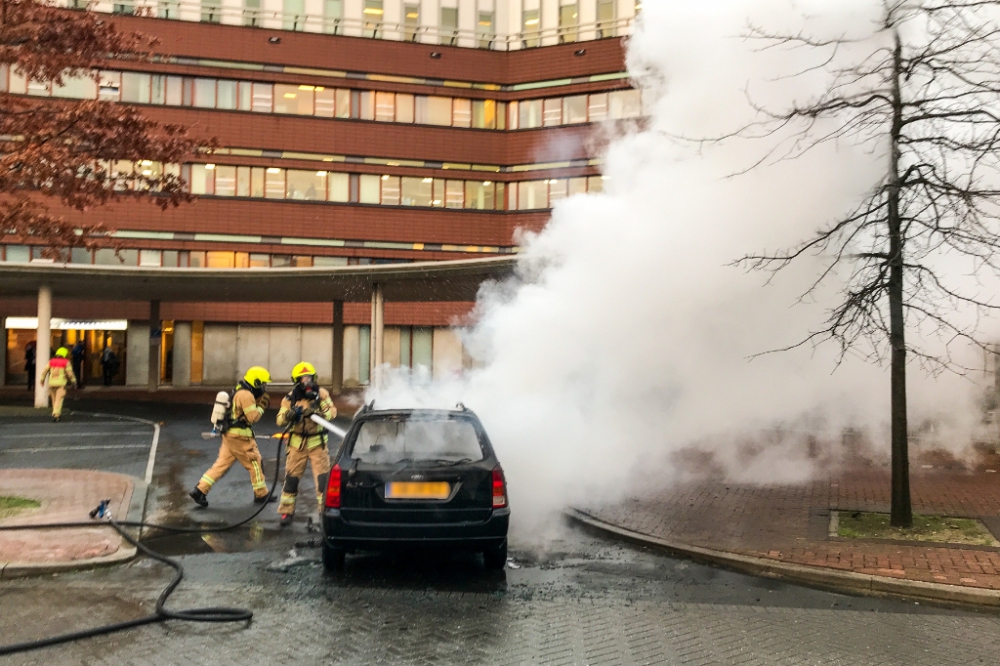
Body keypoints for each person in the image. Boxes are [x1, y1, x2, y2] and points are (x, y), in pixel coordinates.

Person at [190, 366, 273, 507]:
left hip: (230, 434)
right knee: (255, 463)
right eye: (263, 384)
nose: (264, 387)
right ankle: (261, 495)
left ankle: (199, 491)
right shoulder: (246, 395)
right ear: (256, 382)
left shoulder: (239, 390)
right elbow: (252, 417)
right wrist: (261, 406)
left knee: (221, 465)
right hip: (240, 437)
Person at [275, 362, 336, 527]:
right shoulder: (290, 398)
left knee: (322, 482)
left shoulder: (321, 394)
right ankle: (286, 511)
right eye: (303, 378)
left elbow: (332, 412)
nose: (307, 381)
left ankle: (323, 512)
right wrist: (289, 415)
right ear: (297, 381)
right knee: (291, 479)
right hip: (297, 446)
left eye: (309, 377)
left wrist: (318, 414)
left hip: (317, 446)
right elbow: (279, 420)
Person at [40, 347, 76, 422]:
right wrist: (74, 381)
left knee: (54, 399)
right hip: (61, 383)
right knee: (59, 399)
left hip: (52, 383)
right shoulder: (66, 362)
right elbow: (70, 373)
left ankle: (55, 412)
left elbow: (45, 371)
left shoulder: (51, 361)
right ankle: (56, 414)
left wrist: (42, 380)